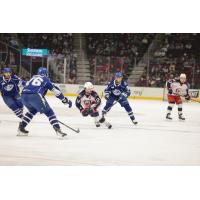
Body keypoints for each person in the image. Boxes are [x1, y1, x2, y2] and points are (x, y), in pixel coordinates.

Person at [18, 67, 72, 138]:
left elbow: (24, 84)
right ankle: (58, 130)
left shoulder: (33, 78)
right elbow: (56, 91)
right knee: (49, 112)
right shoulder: (46, 79)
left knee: (32, 110)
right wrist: (65, 100)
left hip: (23, 95)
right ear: (46, 73)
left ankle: (21, 127)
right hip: (34, 95)